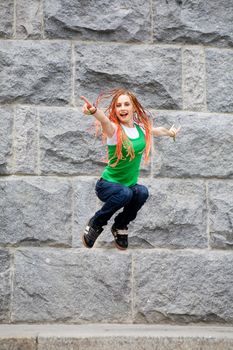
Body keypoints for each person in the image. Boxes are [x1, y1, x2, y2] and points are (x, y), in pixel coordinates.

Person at [80, 88, 180, 250]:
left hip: (128, 185)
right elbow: (104, 121)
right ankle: (96, 223)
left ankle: (120, 226)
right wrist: (94, 111)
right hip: (107, 185)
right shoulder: (114, 130)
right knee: (125, 193)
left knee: (141, 192)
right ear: (115, 110)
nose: (122, 108)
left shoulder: (141, 129)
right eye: (118, 105)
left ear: (133, 107)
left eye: (126, 104)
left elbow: (157, 130)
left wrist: (170, 133)